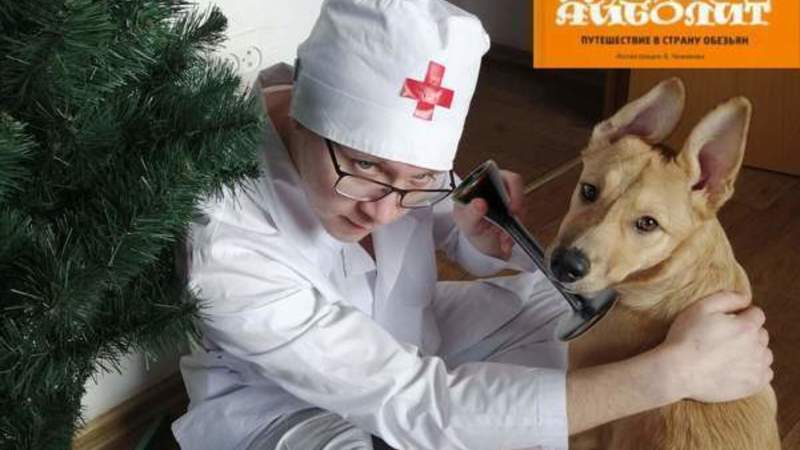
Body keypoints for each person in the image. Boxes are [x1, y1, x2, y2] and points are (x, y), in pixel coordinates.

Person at [170, 1, 774, 449]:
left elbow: (439, 210)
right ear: (301, 114)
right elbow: (418, 404)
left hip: (412, 335)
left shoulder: (390, 156)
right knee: (573, 392)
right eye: (364, 168)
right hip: (283, 408)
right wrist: (676, 373)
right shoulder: (226, 239)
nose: (385, 210)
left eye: (417, 178)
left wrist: (471, 232)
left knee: (577, 321)